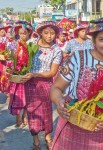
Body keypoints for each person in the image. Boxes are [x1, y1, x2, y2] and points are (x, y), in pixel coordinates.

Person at [50, 17, 103, 150]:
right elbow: (57, 88)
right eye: (102, 39)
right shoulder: (76, 58)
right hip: (71, 123)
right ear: (94, 41)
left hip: (101, 131)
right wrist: (59, 102)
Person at [21, 21, 62, 150]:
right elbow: (22, 61)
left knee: (46, 111)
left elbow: (52, 72)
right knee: (32, 111)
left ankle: (48, 137)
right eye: (46, 33)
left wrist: (35, 74)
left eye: (52, 33)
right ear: (40, 33)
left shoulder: (56, 50)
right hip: (30, 83)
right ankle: (36, 141)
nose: (50, 36)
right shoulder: (31, 44)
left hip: (45, 83)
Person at [8, 22, 33, 127]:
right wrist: (12, 70)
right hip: (17, 74)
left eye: (25, 33)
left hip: (28, 74)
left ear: (29, 34)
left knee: (28, 97)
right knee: (17, 98)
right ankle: (18, 117)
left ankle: (25, 116)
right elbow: (10, 59)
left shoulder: (32, 45)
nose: (23, 35)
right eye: (21, 33)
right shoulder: (14, 44)